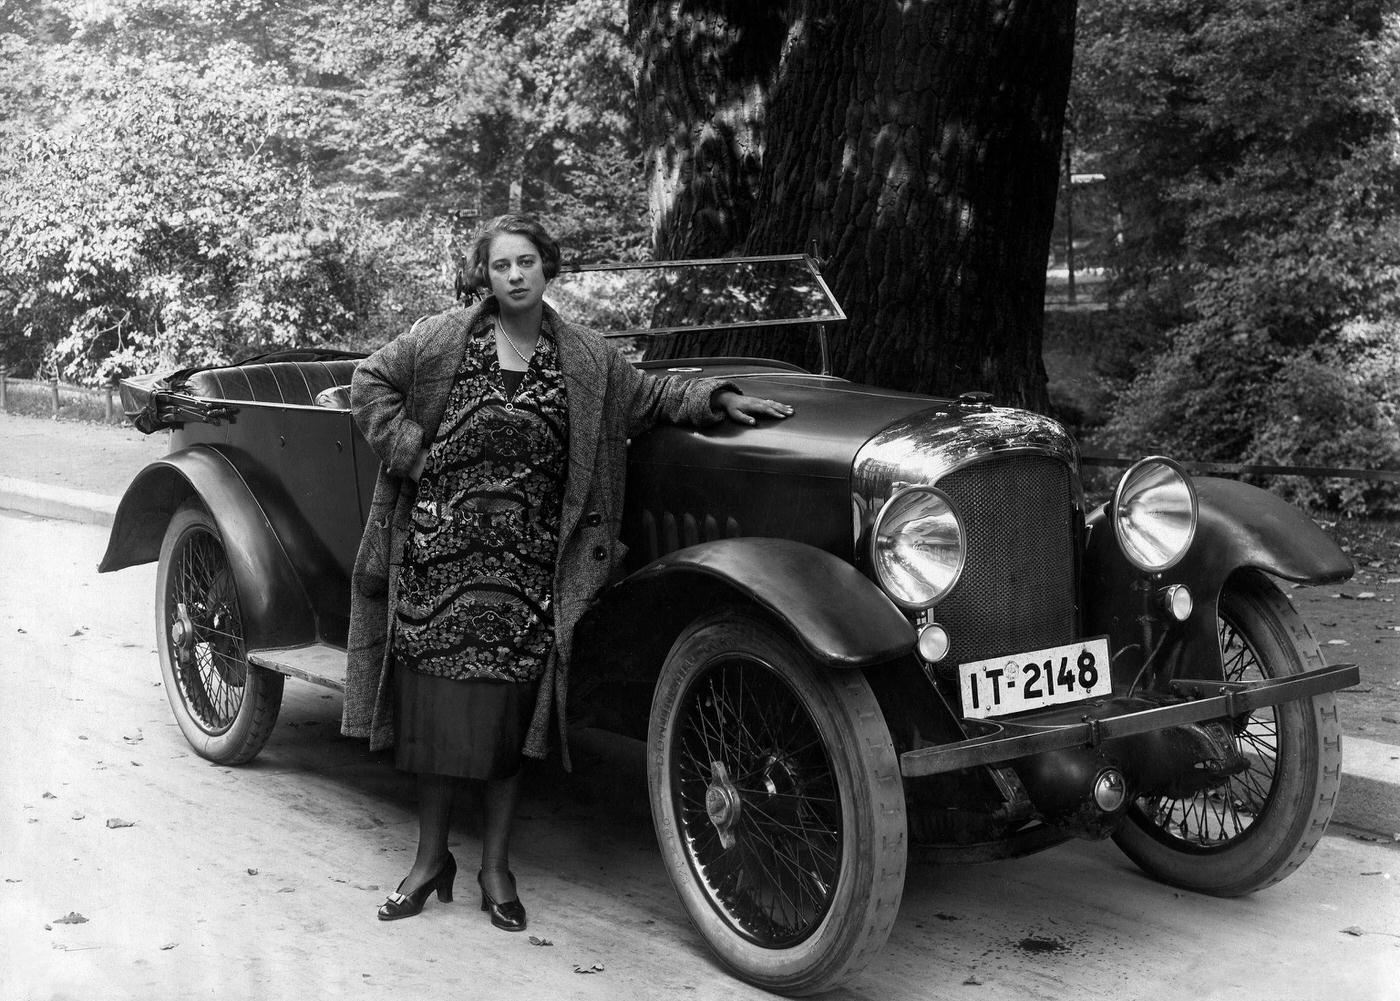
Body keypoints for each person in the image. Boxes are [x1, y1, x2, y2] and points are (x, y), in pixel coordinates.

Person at [340, 213, 792, 931]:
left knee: (508, 725)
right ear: (482, 276)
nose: (514, 275)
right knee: (434, 723)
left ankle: (495, 867)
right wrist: (411, 451)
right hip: (438, 562)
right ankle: (429, 862)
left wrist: (717, 398)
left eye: (526, 262)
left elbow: (651, 397)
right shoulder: (441, 339)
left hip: (528, 572)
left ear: (548, 268)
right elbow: (370, 381)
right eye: (500, 265)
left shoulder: (585, 356)